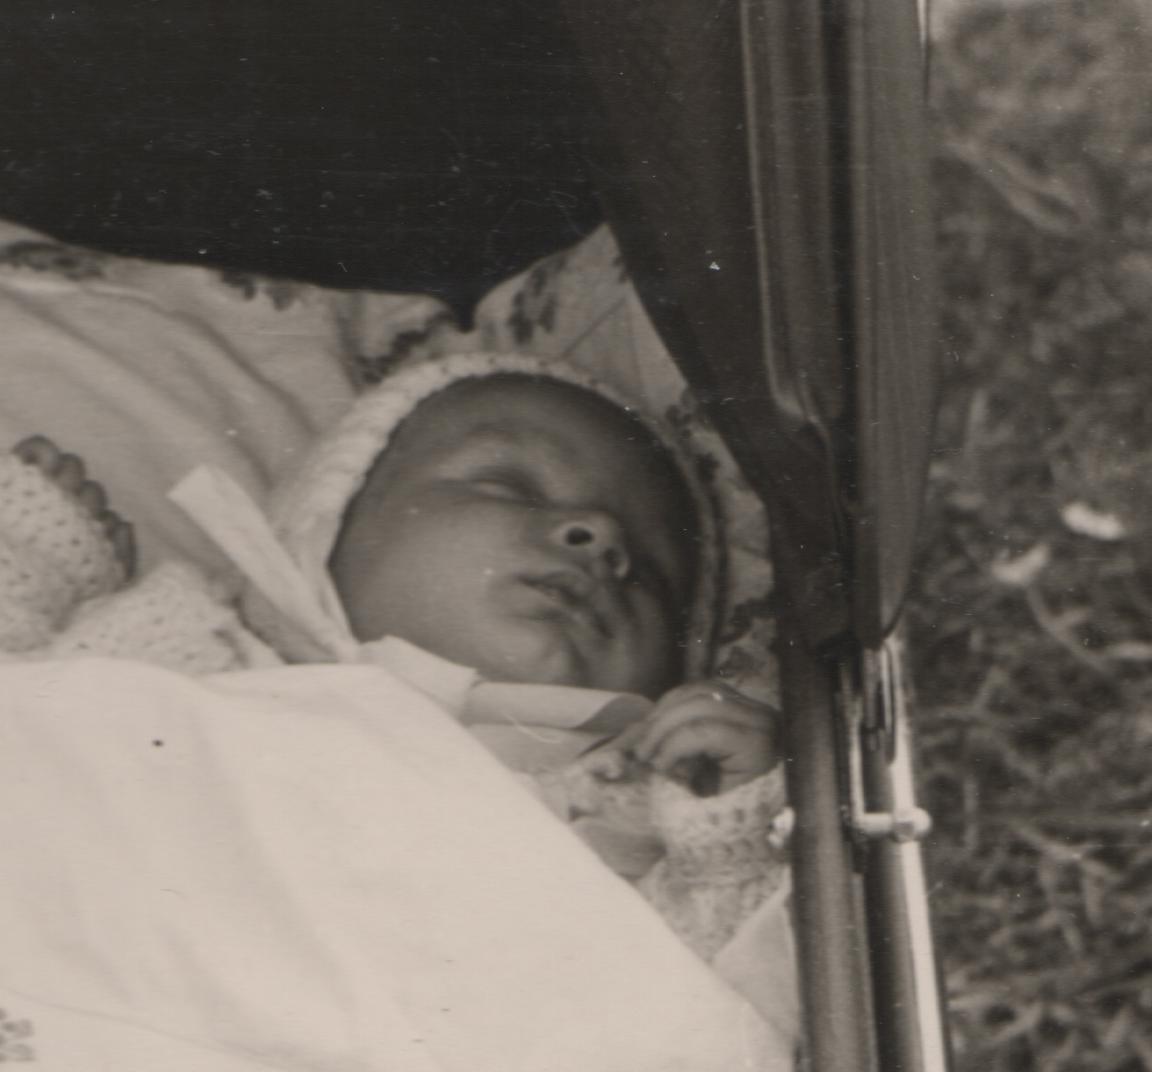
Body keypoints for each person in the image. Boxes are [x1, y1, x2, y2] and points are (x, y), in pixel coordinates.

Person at [0, 351, 792, 983]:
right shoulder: (179, 645)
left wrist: (726, 849)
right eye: (508, 484)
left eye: (650, 571)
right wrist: (32, 560)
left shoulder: (623, 825)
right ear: (326, 520)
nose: (599, 535)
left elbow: (679, 1015)